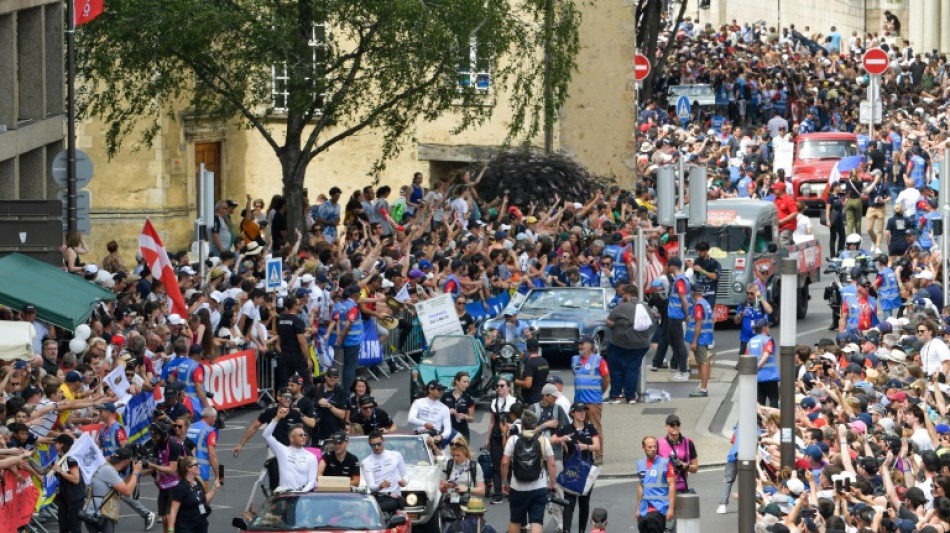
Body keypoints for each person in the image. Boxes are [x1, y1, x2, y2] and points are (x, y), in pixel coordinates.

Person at [500, 410, 558, 533]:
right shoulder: (543, 440)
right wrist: (552, 483)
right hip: (538, 487)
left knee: (515, 520)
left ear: (522, 425)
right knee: (536, 522)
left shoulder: (513, 440)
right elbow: (552, 464)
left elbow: (504, 462)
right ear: (535, 424)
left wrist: (504, 482)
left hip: (517, 488)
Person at [551, 403, 601, 533]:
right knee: (569, 502)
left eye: (584, 411)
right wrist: (561, 439)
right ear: (572, 413)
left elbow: (597, 446)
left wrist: (586, 447)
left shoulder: (590, 428)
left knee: (584, 503)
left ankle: (582, 530)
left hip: (587, 470)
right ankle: (567, 530)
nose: (582, 413)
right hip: (571, 470)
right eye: (579, 411)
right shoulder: (566, 428)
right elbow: (551, 440)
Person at [605, 285, 655, 404]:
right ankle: (631, 397)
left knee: (616, 369)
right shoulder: (646, 307)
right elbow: (652, 323)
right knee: (632, 369)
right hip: (641, 345)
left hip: (620, 343)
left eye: (623, 294)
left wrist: (618, 325)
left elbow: (609, 322)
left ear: (627, 294)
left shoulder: (621, 307)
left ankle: (615, 396)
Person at [83, 447, 144, 533]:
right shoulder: (108, 470)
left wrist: (131, 473)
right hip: (100, 514)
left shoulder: (109, 468)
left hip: (97, 513)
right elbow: (127, 492)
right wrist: (135, 472)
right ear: (127, 461)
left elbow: (123, 486)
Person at [570, 336, 609, 464]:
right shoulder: (575, 360)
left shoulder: (599, 360)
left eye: (582, 344)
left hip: (593, 401)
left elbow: (606, 379)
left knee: (595, 428)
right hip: (579, 401)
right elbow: (575, 375)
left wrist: (600, 393)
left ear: (590, 345)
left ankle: (598, 455)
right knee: (578, 428)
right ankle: (581, 452)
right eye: (579, 344)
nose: (580, 346)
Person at [262, 406, 317, 492]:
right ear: (291, 438)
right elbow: (266, 435)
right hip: (286, 495)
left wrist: (301, 493)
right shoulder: (282, 451)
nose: (303, 437)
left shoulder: (311, 457)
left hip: (302, 495)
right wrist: (277, 418)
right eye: (300, 435)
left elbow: (312, 481)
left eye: (304, 435)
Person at [145, 421, 186, 533]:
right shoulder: (157, 444)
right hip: (164, 485)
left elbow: (171, 469)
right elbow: (159, 464)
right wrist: (139, 472)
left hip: (176, 484)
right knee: (164, 519)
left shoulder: (174, 445)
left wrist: (152, 465)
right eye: (152, 435)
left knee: (169, 517)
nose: (153, 438)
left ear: (163, 433)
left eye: (155, 435)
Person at [167, 456, 222, 533]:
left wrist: (215, 489)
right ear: (188, 468)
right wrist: (170, 530)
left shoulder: (198, 482)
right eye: (196, 465)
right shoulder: (181, 487)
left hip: (201, 526)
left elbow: (203, 500)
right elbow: (173, 511)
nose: (199, 466)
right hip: (186, 528)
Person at [439, 438, 487, 522]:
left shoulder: (474, 466)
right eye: (453, 455)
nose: (455, 458)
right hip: (451, 505)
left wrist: (467, 489)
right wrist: (445, 486)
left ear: (464, 452)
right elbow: (441, 490)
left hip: (469, 506)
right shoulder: (448, 464)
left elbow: (482, 491)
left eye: (458, 455)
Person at [360, 430, 408, 513]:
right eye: (373, 445)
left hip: (394, 497)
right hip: (377, 497)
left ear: (383, 441)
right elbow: (371, 487)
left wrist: (404, 482)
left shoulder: (395, 455)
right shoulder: (366, 462)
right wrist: (380, 486)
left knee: (375, 509)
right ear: (369, 445)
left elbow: (405, 475)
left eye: (379, 444)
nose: (376, 447)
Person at [486, 377, 517, 504]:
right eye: (497, 386)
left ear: (508, 388)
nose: (499, 388)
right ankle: (498, 492)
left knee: (510, 463)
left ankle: (509, 489)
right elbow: (492, 422)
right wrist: (487, 439)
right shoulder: (494, 402)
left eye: (502, 385)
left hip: (510, 436)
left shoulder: (514, 401)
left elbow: (518, 420)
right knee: (496, 464)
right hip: (496, 436)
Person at [635, 436, 676, 533]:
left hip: (659, 508)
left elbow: (672, 485)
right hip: (644, 509)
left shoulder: (665, 463)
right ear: (643, 448)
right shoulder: (640, 464)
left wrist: (671, 508)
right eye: (650, 447)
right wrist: (637, 508)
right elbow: (641, 485)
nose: (653, 449)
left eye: (655, 446)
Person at [275, 296, 312, 389]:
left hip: (284, 355)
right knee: (307, 382)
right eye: (299, 304)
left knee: (286, 383)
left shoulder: (280, 320)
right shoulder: (297, 321)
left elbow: (279, 339)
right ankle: (308, 401)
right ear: (295, 306)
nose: (300, 306)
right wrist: (308, 359)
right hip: (296, 356)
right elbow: (302, 343)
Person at [665, 258, 692, 382]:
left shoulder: (680, 281)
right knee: (674, 342)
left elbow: (684, 300)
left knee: (679, 343)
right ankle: (680, 369)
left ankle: (683, 371)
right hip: (673, 315)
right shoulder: (680, 279)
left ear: (672, 266)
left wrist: (687, 315)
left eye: (668, 265)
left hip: (677, 316)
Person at [656, 414, 697, 496]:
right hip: (664, 489)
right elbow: (652, 467)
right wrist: (668, 466)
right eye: (672, 425)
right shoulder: (658, 443)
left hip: (681, 489)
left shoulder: (688, 442)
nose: (675, 427)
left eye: (677, 424)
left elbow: (695, 469)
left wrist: (685, 465)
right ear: (666, 427)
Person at [51, 434, 84, 533]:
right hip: (63, 497)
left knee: (75, 527)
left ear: (61, 444)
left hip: (75, 498)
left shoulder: (71, 459)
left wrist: (61, 471)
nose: (53, 444)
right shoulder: (57, 458)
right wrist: (28, 460)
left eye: (56, 442)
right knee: (63, 526)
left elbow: (76, 479)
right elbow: (44, 471)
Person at [408, 380, 453, 450]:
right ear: (430, 390)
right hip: (418, 437)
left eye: (443, 389)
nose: (441, 391)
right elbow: (411, 418)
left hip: (434, 438)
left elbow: (448, 430)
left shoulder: (445, 408)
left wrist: (438, 437)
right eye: (439, 389)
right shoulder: (418, 402)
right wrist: (425, 424)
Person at [184, 406, 219, 488]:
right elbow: (212, 455)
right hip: (200, 470)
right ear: (211, 417)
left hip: (185, 469)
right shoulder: (210, 431)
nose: (215, 421)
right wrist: (218, 474)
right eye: (215, 418)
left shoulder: (189, 427)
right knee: (203, 499)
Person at [311, 367, 348, 444]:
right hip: (317, 432)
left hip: (333, 433)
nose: (332, 379)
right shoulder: (316, 389)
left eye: (335, 377)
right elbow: (306, 405)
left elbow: (342, 415)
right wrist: (316, 404)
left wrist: (329, 406)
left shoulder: (341, 392)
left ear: (338, 379)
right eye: (330, 376)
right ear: (325, 376)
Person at [339, 285, 364, 392]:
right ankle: (348, 390)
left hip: (348, 340)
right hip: (352, 341)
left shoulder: (344, 305)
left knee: (347, 367)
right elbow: (348, 325)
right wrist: (342, 337)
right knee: (350, 368)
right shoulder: (353, 307)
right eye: (360, 293)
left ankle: (346, 389)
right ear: (356, 294)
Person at [749, 319, 779, 406]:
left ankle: (759, 419)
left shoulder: (750, 342)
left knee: (760, 400)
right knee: (773, 398)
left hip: (757, 376)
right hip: (769, 376)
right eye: (768, 327)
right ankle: (772, 419)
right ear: (764, 328)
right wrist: (757, 366)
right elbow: (766, 356)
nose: (769, 328)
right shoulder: (768, 340)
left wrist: (753, 370)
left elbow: (747, 357)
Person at [442, 372, 476, 441]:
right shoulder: (446, 396)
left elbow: (471, 419)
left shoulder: (468, 398)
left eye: (468, 382)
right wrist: (448, 411)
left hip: (462, 432)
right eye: (464, 382)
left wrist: (465, 416)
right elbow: (438, 414)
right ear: (457, 381)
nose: (467, 384)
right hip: (447, 431)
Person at [514, 339, 549, 405]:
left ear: (527, 349)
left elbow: (527, 384)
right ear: (538, 348)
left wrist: (514, 381)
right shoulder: (544, 362)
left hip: (531, 400)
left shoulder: (530, 363)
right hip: (542, 396)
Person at [691, 241, 721, 307]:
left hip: (710, 293)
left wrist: (702, 271)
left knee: (708, 311)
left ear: (706, 251)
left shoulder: (714, 263)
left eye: (700, 251)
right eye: (697, 251)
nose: (698, 253)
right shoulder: (697, 261)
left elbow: (715, 276)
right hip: (699, 293)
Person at [772, 181, 797, 245]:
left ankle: (785, 254)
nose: (773, 190)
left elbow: (794, 213)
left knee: (783, 240)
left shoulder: (789, 200)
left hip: (787, 226)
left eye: (775, 189)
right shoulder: (776, 199)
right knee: (778, 242)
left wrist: (782, 221)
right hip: (778, 226)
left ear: (780, 190)